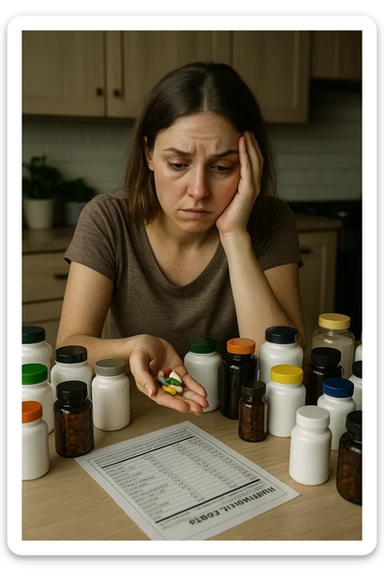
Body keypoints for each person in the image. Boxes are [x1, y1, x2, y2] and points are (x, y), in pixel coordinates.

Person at [56, 61, 307, 416]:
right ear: (149, 154)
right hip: (136, 412)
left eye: (222, 167)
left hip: (232, 415)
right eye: (178, 164)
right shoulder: (107, 218)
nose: (199, 191)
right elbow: (69, 346)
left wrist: (235, 235)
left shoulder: (270, 221)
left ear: (250, 164)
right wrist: (134, 347)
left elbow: (282, 360)